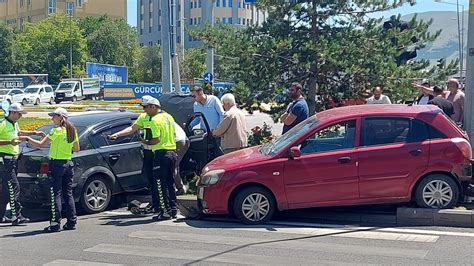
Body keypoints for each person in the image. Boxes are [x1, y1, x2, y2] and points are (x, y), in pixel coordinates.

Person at [110, 96, 167, 218]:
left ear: (153, 106)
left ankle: (165, 207)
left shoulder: (161, 118)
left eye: (145, 107)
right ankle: (157, 205)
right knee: (152, 180)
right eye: (143, 107)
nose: (144, 109)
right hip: (149, 152)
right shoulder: (144, 117)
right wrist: (117, 134)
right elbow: (132, 128)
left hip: (160, 151)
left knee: (162, 180)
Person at [26, 108, 79, 232]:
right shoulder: (72, 131)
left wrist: (27, 139)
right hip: (68, 162)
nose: (52, 118)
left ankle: (55, 223)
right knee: (68, 193)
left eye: (54, 116)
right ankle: (72, 221)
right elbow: (76, 149)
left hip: (56, 164)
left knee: (55, 193)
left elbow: (40, 145)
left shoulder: (56, 131)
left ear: (61, 117)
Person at [0, 103, 43, 225]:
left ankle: (1, 215)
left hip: (12, 159)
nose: (21, 116)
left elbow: (19, 133)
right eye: (19, 114)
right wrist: (9, 142)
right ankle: (16, 216)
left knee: (5, 189)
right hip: (5, 159)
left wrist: (34, 133)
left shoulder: (14, 124)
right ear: (13, 113)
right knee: (14, 187)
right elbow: (12, 139)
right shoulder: (2, 124)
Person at [189, 86, 224, 156]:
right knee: (207, 155)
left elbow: (222, 114)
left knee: (219, 154)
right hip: (206, 135)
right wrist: (190, 125)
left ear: (200, 93)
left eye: (194, 96)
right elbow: (198, 119)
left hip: (217, 134)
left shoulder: (213, 100)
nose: (193, 98)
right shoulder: (196, 105)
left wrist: (219, 129)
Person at [174, 122, 189, 195]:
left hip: (178, 141)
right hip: (184, 140)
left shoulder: (157, 120)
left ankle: (180, 188)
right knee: (175, 166)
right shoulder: (167, 118)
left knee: (172, 166)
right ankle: (179, 187)